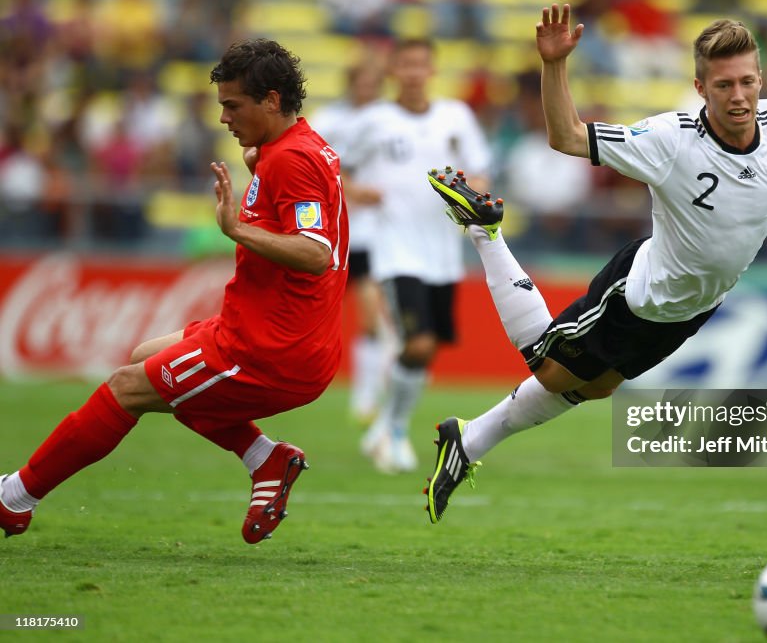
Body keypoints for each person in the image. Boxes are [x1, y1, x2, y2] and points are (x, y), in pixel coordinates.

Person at [422, 4, 767, 523]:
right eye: (723, 86)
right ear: (701, 89)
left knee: (596, 386)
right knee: (546, 364)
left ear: (760, 79)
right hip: (640, 294)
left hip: (693, 308)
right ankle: (487, 232)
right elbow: (568, 138)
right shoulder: (670, 141)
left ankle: (466, 439)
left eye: (746, 82)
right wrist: (555, 64)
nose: (738, 97)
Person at [0, 39, 348, 543]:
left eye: (233, 105)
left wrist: (237, 229)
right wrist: (260, 173)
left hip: (270, 349)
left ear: (271, 101)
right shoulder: (295, 148)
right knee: (148, 357)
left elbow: (316, 253)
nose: (224, 118)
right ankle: (265, 458)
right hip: (261, 329)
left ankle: (14, 498)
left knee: (127, 386)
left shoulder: (290, 160)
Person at [341, 39, 491, 474]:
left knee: (427, 350)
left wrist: (474, 193)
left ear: (432, 70)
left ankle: (384, 424)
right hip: (395, 249)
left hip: (443, 250)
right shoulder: (374, 121)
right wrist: (355, 190)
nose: (412, 73)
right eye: (404, 65)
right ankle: (396, 430)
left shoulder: (455, 117)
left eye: (420, 65)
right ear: (393, 71)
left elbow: (479, 168)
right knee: (418, 341)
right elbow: (337, 167)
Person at [311, 59, 392, 428]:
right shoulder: (328, 120)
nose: (369, 89)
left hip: (368, 232)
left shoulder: (389, 120)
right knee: (314, 313)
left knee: (370, 313)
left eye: (375, 82)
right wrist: (350, 188)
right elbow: (312, 167)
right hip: (328, 232)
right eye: (364, 81)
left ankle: (365, 395)